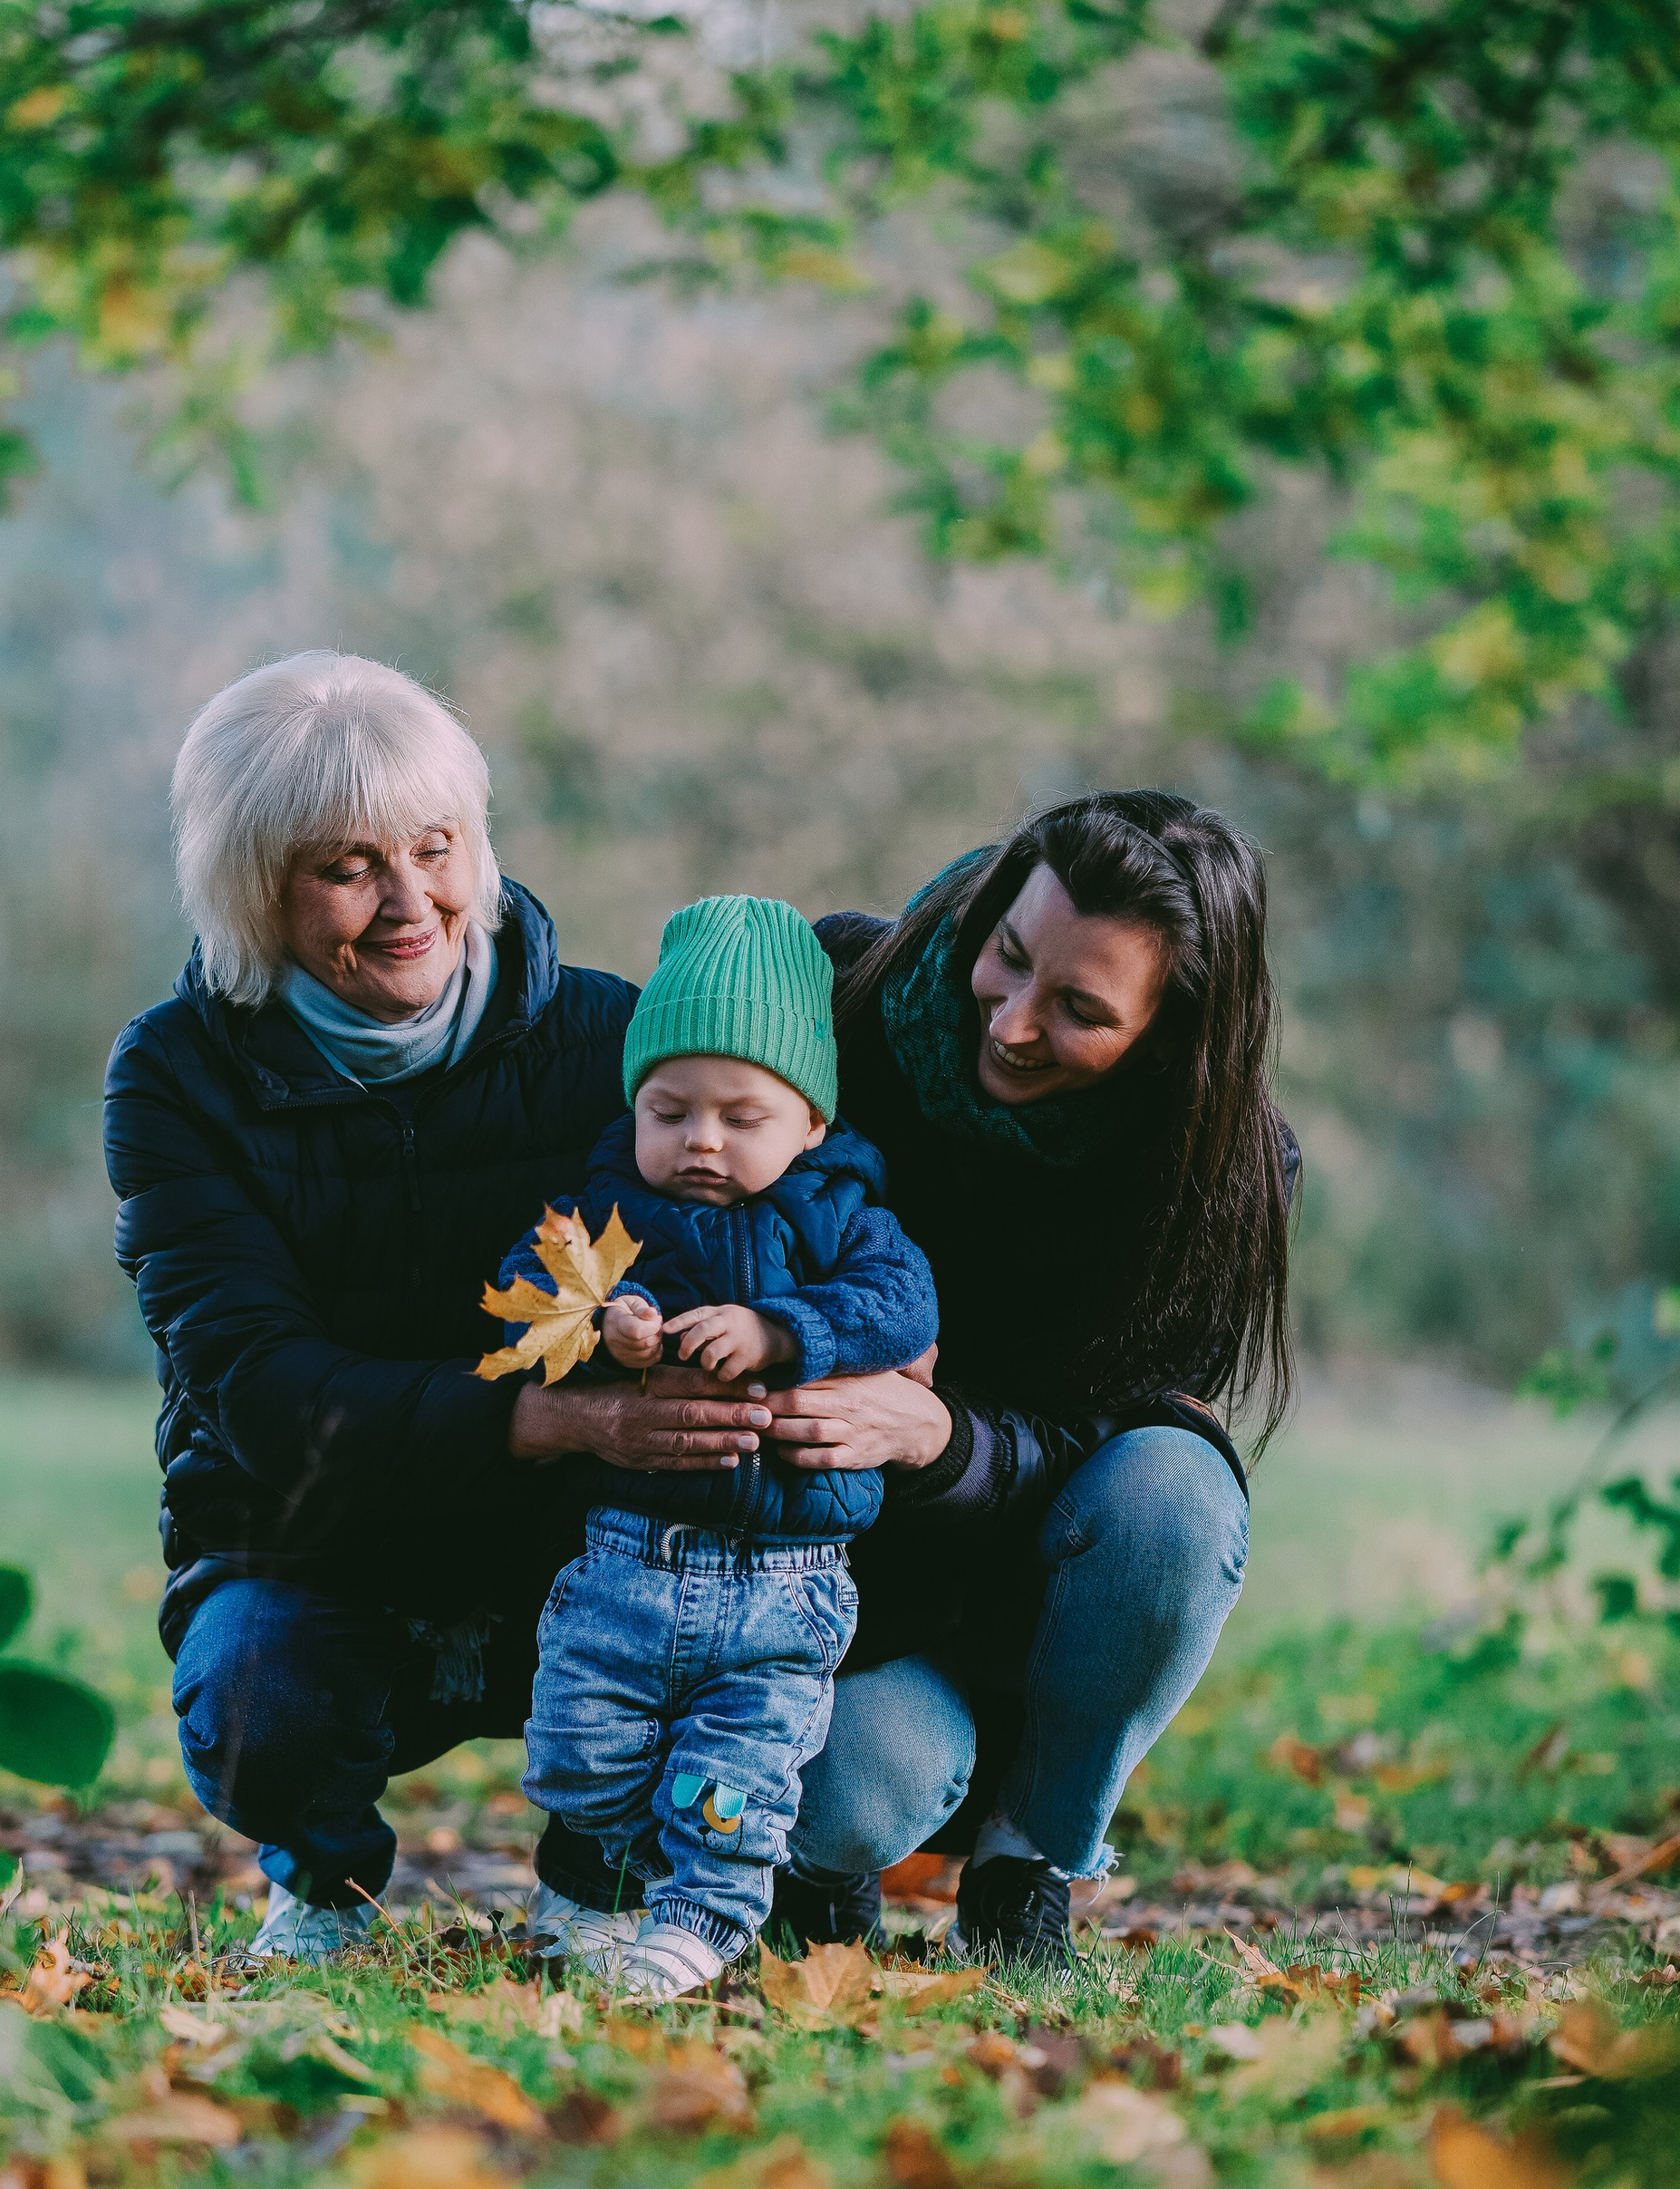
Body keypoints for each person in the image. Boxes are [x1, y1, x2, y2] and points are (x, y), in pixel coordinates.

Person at [103, 651, 771, 1961]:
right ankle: (326, 1882)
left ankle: (608, 1874)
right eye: (348, 868)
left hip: (575, 1552)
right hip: (312, 1538)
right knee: (257, 1697)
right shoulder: (177, 1076)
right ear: (255, 889)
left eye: (438, 846)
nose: (414, 903)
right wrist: (561, 1422)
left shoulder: (613, 1043)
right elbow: (263, 1390)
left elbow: (733, 1259)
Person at [761, 793, 1297, 1967]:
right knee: (846, 1797)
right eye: (1008, 957)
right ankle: (818, 1867)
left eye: (1080, 1010)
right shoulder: (845, 1002)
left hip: (1048, 1584)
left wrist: (941, 1437)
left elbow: (1113, 1437)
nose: (1009, 1022)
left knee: (1176, 1486)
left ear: (1169, 1034)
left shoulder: (1219, 1179)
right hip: (854, 1578)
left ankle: (1029, 1859)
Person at [493, 896, 940, 2000]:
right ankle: (589, 1884)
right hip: (624, 1560)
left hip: (784, 1582)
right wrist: (609, 1320)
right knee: (583, 1742)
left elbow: (899, 1306)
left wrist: (785, 1330)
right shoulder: (602, 1211)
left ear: (812, 1124)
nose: (701, 1140)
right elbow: (527, 1302)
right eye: (670, 1108)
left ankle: (703, 1913)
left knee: (739, 1761)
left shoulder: (845, 1218)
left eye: (743, 1115)